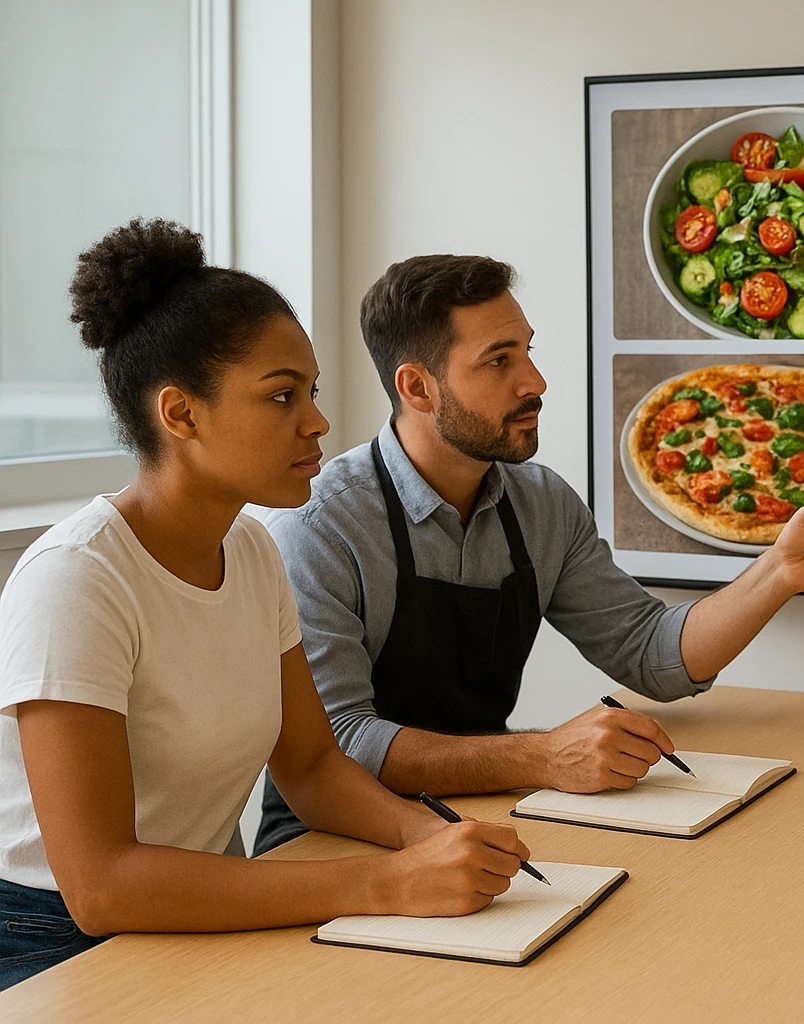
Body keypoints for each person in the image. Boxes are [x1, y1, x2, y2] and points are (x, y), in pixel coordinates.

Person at [0, 221, 534, 991]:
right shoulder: (76, 581)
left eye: (311, 392)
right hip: (53, 943)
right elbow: (101, 886)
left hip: (202, 909)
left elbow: (312, 766)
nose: (317, 421)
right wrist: (387, 883)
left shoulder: (250, 549)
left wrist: (439, 837)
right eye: (282, 395)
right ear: (179, 415)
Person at [254, 254, 804, 853]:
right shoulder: (318, 529)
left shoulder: (541, 503)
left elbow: (653, 654)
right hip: (332, 843)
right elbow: (340, 748)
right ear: (417, 387)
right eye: (499, 361)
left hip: (488, 818)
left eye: (528, 351)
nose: (535, 383)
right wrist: (543, 755)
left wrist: (780, 572)